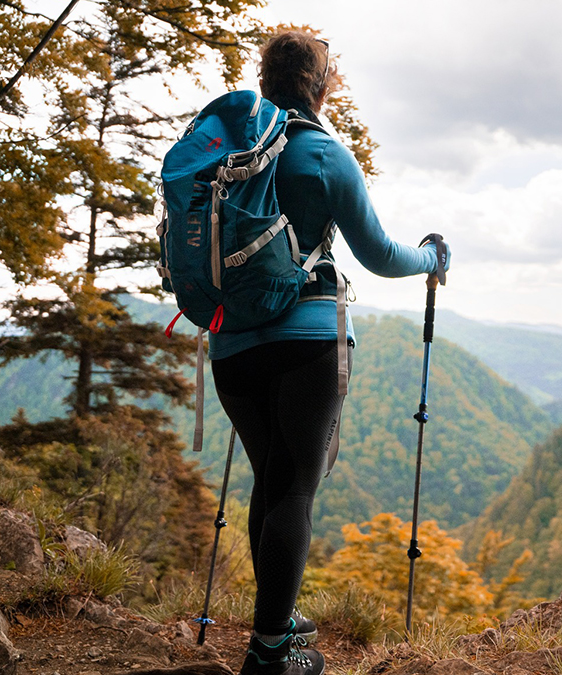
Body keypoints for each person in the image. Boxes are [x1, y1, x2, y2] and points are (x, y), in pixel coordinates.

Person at [209, 31, 449, 675]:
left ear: (264, 81)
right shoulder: (321, 153)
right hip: (305, 341)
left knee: (273, 475)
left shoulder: (223, 149)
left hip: (229, 343)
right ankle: (269, 656)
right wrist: (432, 258)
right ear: (322, 85)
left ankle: (277, 619)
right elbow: (378, 255)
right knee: (294, 487)